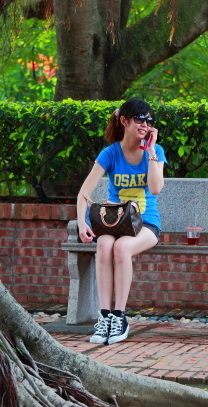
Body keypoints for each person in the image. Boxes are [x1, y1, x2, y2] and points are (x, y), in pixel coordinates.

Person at [76, 98, 167, 345]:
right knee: (104, 245)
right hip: (115, 222)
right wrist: (81, 222)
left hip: (147, 224)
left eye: (149, 120)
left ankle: (120, 317)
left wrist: (149, 151)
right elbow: (85, 191)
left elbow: (156, 188)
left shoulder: (155, 152)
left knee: (122, 247)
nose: (145, 124)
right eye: (139, 119)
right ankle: (104, 317)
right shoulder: (111, 153)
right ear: (124, 121)